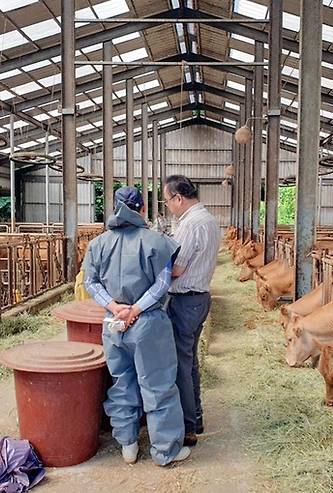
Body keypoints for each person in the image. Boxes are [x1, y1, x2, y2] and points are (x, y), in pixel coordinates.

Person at [83, 186, 190, 466]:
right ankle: (165, 451)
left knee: (122, 382)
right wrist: (136, 309)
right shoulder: (157, 241)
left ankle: (128, 445)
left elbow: (90, 283)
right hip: (147, 324)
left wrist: (116, 307)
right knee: (158, 385)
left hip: (113, 324)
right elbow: (163, 282)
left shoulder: (98, 244)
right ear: (143, 209)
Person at [162, 175, 221, 447]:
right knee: (191, 362)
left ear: (178, 198)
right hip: (201, 297)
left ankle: (187, 428)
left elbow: (177, 268)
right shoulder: (209, 219)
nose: (168, 207)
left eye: (167, 201)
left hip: (185, 300)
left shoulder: (190, 224)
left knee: (180, 366)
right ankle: (195, 417)